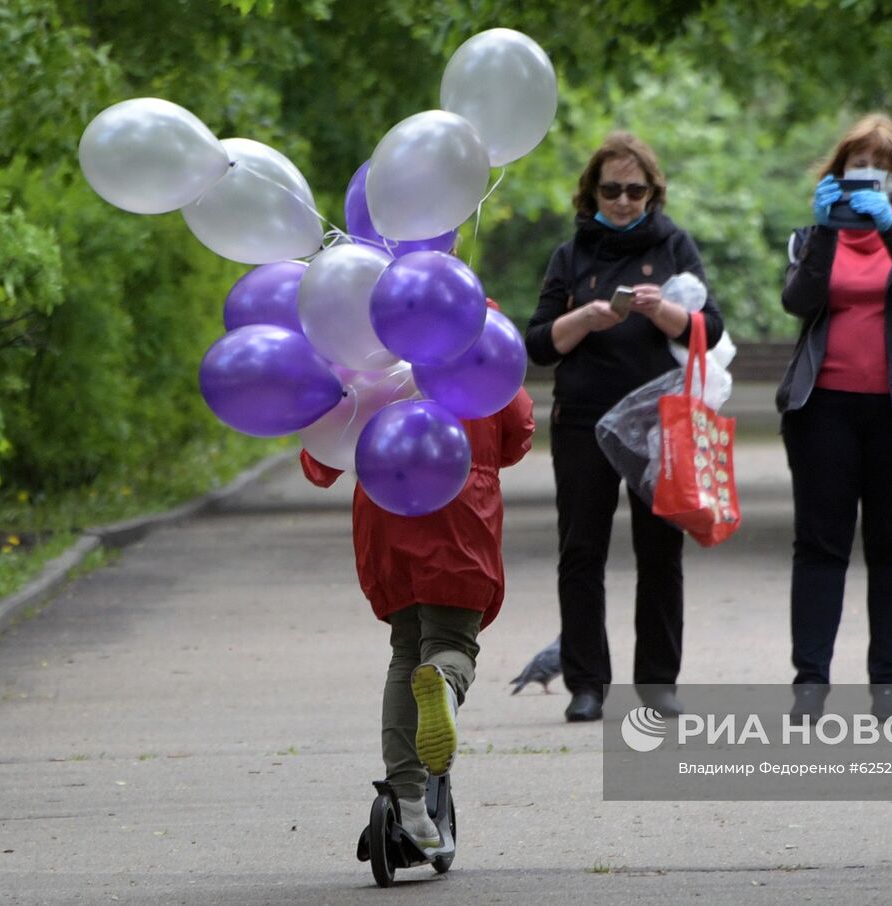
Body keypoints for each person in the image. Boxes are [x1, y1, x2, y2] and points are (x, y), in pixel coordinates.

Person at [526, 132, 724, 723]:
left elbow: (708, 331)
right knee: (580, 552)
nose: (622, 200)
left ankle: (659, 682)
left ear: (651, 193)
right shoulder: (570, 256)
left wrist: (661, 310)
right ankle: (587, 684)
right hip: (583, 421)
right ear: (591, 193)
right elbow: (538, 345)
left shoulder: (673, 246)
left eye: (634, 190)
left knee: (660, 553)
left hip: (659, 423)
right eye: (610, 189)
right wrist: (586, 316)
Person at [300, 370, 534, 853]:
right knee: (451, 643)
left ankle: (408, 803)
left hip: (385, 510)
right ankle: (444, 685)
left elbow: (319, 460)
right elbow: (517, 432)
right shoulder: (478, 335)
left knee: (405, 650)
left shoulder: (364, 348)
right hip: (460, 505)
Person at [775, 114, 892, 719]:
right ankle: (810, 684)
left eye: (878, 171)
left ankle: (888, 687)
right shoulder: (809, 237)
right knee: (820, 546)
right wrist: (827, 231)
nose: (865, 180)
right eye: (855, 170)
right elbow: (799, 300)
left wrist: (891, 231)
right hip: (822, 410)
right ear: (837, 177)